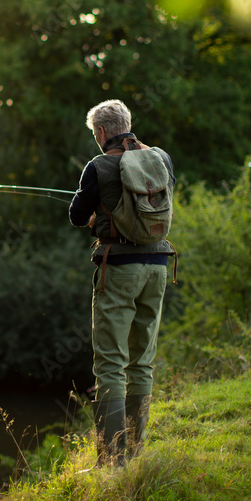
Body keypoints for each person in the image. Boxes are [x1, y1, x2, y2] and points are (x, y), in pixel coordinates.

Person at [69, 99, 176, 466]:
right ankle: (136, 449)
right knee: (142, 361)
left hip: (118, 267)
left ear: (100, 132)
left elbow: (76, 215)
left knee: (111, 363)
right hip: (159, 264)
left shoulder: (97, 166)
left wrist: (98, 211)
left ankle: (112, 460)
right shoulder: (161, 158)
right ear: (128, 124)